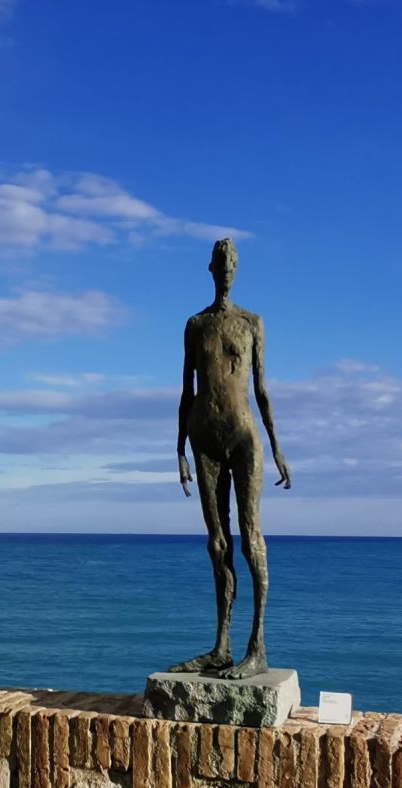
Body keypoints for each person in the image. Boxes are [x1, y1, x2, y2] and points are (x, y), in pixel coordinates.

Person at [168, 238, 292, 680]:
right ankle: (221, 646)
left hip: (243, 437)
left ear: (237, 270)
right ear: (210, 268)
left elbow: (261, 390)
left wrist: (276, 447)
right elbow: (187, 389)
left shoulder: (251, 323)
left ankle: (256, 646)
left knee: (250, 537)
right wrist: (178, 448)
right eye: (220, 263)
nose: (226, 270)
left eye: (232, 263)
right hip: (203, 439)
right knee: (216, 542)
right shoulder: (195, 325)